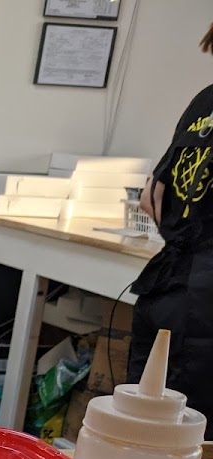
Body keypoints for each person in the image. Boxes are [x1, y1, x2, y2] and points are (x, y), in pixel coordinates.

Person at [129, 24, 213, 436]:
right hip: (180, 292)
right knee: (169, 432)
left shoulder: (205, 101)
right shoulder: (205, 102)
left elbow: (153, 196)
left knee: (152, 427)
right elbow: (153, 194)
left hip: (174, 287)